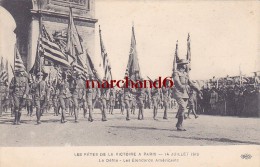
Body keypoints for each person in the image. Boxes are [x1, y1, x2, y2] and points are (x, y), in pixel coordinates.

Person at [172, 59, 201, 131]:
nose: (186, 65)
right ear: (181, 65)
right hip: (178, 92)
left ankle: (179, 124)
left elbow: (190, 83)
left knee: (183, 108)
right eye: (185, 64)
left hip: (185, 93)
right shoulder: (176, 73)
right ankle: (179, 126)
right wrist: (183, 87)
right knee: (182, 107)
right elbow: (176, 82)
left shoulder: (185, 74)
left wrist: (198, 89)